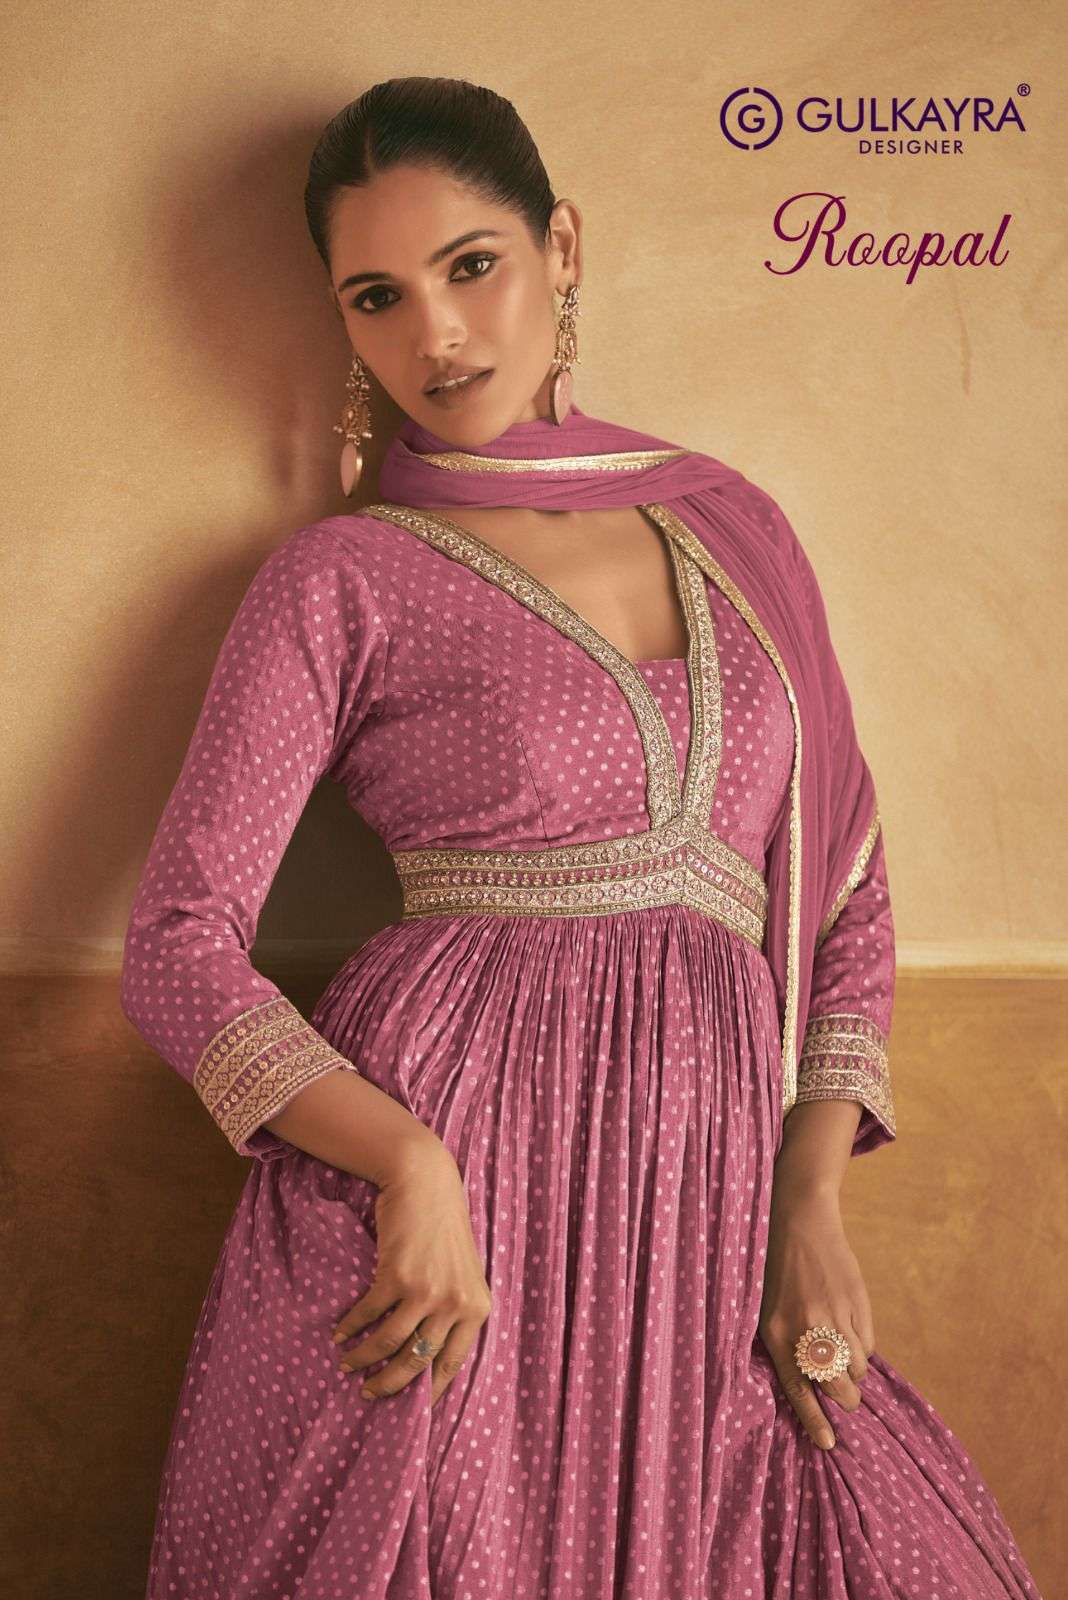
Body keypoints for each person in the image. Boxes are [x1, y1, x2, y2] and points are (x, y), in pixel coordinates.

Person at [120, 76, 1044, 1600]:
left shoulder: (739, 538)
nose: (437, 335)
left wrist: (809, 1204)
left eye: (471, 265)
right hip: (441, 1218)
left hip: (709, 1215)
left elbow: (847, 902)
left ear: (562, 248)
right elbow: (176, 943)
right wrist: (408, 1165)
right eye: (377, 297)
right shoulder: (345, 578)